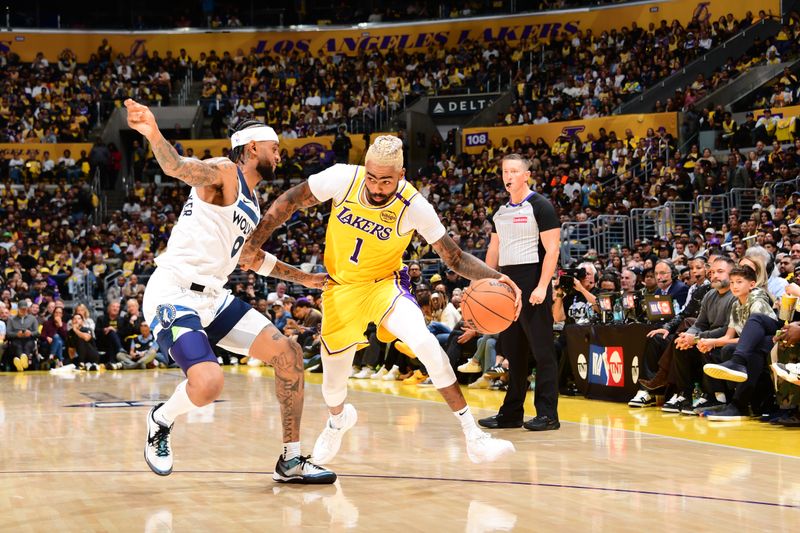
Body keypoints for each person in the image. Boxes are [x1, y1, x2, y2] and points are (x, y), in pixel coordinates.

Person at [240, 135, 521, 465]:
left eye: (385, 180)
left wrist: (496, 277)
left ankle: (473, 436)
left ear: (401, 175)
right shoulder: (344, 178)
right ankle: (338, 419)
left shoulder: (414, 205)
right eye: (371, 177)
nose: (375, 186)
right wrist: (252, 245)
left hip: (384, 285)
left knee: (426, 344)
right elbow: (287, 202)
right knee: (332, 389)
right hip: (341, 290)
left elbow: (455, 258)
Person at [123, 98, 335, 484]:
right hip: (174, 292)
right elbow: (177, 167)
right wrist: (153, 132)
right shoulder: (223, 171)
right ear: (253, 147)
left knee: (288, 354)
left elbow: (251, 259)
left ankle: (290, 460)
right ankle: (161, 419)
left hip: (213, 297)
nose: (279, 153)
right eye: (274, 147)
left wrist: (307, 279)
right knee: (208, 384)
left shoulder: (252, 203)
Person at [478, 154, 561, 431]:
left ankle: (548, 414)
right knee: (513, 352)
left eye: (514, 171)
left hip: (533, 279)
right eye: (504, 171)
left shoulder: (541, 206)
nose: (508, 176)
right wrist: (487, 282)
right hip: (506, 283)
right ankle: (511, 413)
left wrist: (541, 286)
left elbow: (552, 250)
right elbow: (494, 250)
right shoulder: (500, 212)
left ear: (526, 175)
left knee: (542, 351)